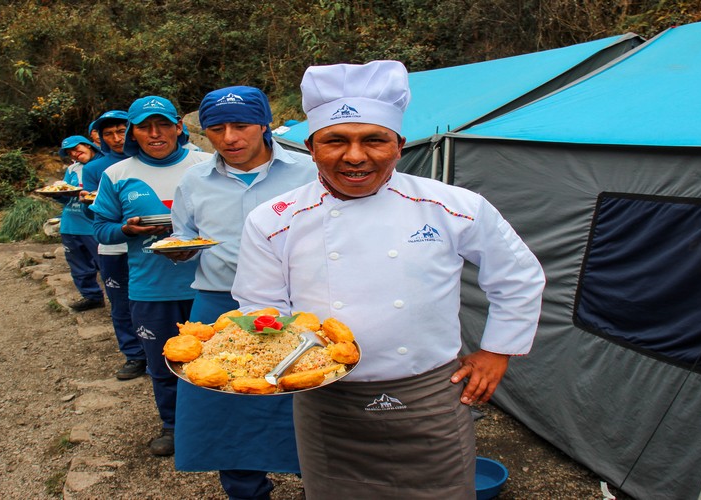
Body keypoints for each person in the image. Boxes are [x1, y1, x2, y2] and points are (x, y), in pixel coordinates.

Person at [231, 60, 546, 498]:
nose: (355, 156)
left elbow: (518, 276)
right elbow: (259, 307)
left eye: (374, 140)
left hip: (430, 396)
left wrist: (497, 351)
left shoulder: (453, 206)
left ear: (399, 146)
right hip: (326, 399)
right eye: (335, 141)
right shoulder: (273, 219)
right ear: (311, 147)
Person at [167, 86, 316, 499]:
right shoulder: (195, 179)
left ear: (264, 124)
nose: (229, 137)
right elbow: (184, 234)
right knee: (223, 405)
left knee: (305, 397)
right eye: (216, 128)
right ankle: (245, 490)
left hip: (295, 307)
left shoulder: (309, 172)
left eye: (241, 125)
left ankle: (317, 484)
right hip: (218, 304)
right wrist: (180, 251)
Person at [89, 96, 212, 456]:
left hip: (208, 283)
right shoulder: (117, 174)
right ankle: (174, 427)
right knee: (163, 365)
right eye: (144, 126)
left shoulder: (206, 165)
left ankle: (220, 425)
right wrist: (127, 231)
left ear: (179, 127)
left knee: (220, 360)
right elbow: (101, 229)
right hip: (151, 287)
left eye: (163, 124)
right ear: (133, 132)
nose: (155, 133)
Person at [81, 110, 145, 381]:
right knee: (120, 304)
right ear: (101, 138)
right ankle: (134, 355)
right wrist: (87, 204)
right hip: (113, 249)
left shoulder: (148, 160)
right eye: (109, 134)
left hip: (149, 247)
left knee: (152, 304)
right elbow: (94, 215)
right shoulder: (95, 168)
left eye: (121, 131)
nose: (117, 138)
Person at [56, 135, 105, 312]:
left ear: (89, 145)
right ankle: (91, 296)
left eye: (77, 149)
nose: (75, 154)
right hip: (70, 223)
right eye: (70, 153)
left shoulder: (105, 164)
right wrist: (58, 195)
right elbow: (65, 196)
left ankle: (119, 301)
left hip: (92, 225)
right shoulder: (72, 170)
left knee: (106, 265)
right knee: (78, 264)